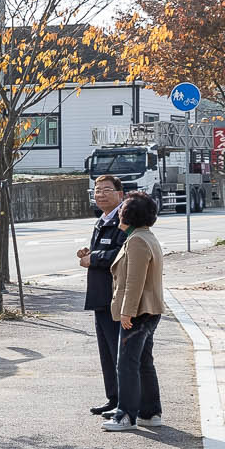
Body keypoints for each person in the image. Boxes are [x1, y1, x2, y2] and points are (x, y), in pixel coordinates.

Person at [105, 192, 166, 431]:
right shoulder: (146, 236)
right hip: (149, 309)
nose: (119, 212)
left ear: (128, 215)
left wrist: (126, 312)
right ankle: (150, 412)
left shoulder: (137, 241)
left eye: (122, 210)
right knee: (142, 361)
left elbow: (134, 281)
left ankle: (125, 415)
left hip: (139, 311)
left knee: (127, 363)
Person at [77, 174, 129, 416]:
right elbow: (105, 250)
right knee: (106, 352)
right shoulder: (102, 220)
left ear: (120, 194)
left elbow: (122, 254)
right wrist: (89, 253)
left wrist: (94, 258)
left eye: (106, 190)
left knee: (119, 351)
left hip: (115, 296)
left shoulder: (123, 219)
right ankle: (113, 398)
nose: (100, 194)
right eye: (97, 190)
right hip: (100, 296)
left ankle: (124, 401)